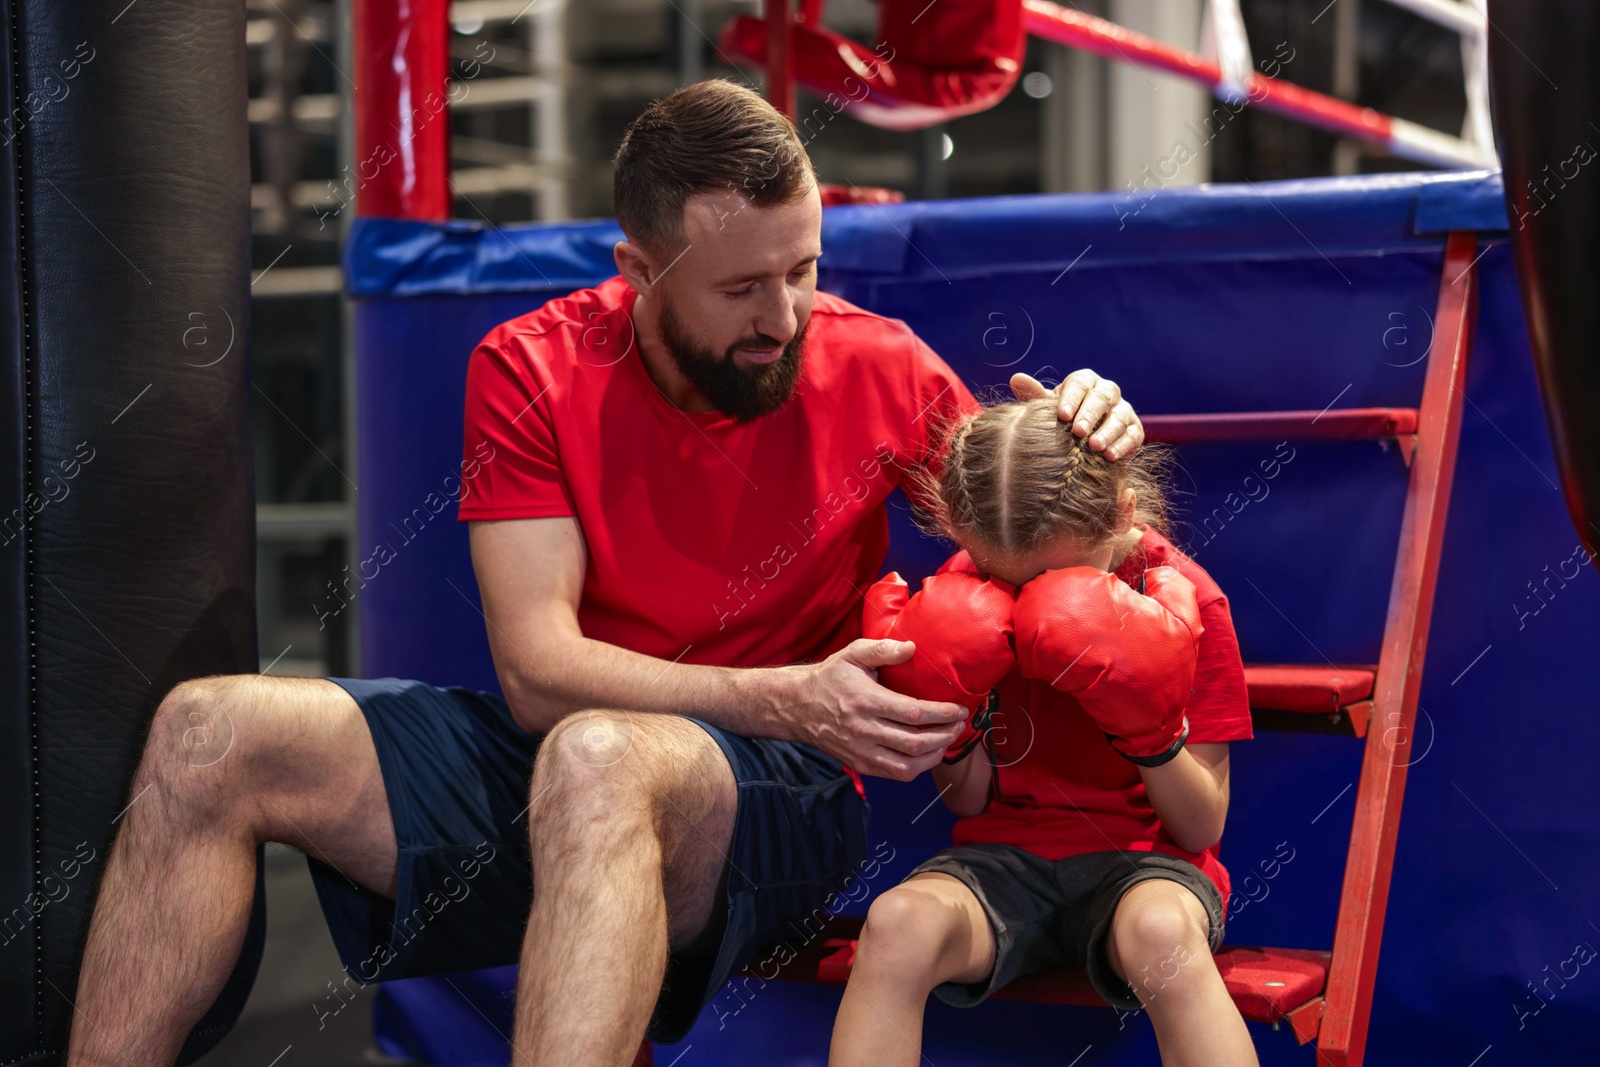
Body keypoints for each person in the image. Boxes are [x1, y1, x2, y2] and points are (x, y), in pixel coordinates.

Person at [65, 80, 1146, 1067]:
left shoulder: (877, 364)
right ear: (637, 269)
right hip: (580, 754)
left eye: (803, 270)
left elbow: (1053, 526)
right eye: (740, 287)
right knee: (209, 730)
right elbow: (539, 672)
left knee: (596, 759)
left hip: (779, 789)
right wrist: (786, 692)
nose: (783, 317)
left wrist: (1096, 435)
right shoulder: (530, 365)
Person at [832, 396, 1257, 1066]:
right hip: (1004, 861)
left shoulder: (1184, 600)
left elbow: (1202, 825)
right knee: (895, 924)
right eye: (1004, 577)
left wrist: (1151, 733)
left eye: (1057, 578)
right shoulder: (958, 588)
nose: (1027, 599)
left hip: (1147, 864)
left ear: (1123, 514)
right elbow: (967, 800)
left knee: (1162, 933)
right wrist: (954, 721)